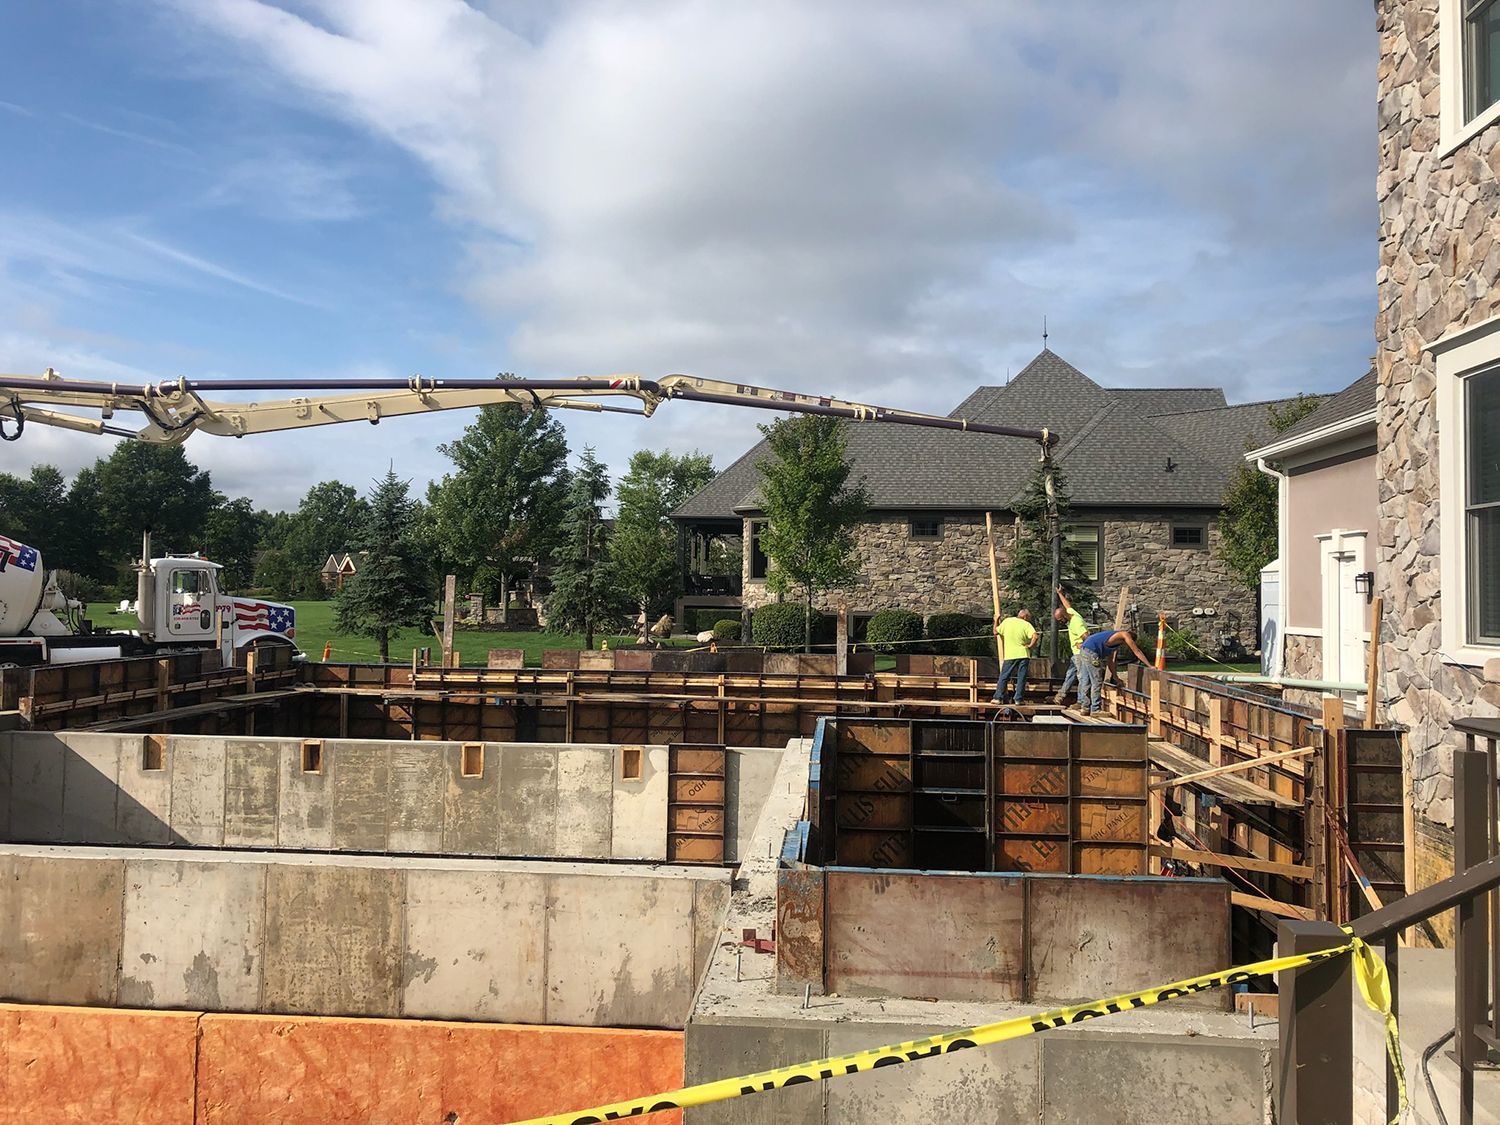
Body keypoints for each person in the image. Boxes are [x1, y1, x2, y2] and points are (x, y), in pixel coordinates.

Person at [1076, 628, 1153, 714]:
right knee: (1096, 681)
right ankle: (1095, 709)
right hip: (1091, 652)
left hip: (1085, 650)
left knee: (1086, 681)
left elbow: (1111, 662)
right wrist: (1150, 666)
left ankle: (1085, 708)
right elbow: (1137, 651)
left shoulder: (1114, 642)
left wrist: (1116, 677)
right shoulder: (1125, 634)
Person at [1051, 586, 1090, 706]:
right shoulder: (1072, 614)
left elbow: (1086, 636)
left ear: (1063, 617)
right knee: (1070, 674)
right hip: (1075, 654)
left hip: (1080, 654)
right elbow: (1067, 605)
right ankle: (1060, 696)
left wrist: (1082, 645)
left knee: (1081, 677)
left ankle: (1082, 702)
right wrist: (1060, 594)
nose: (1060, 622)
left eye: (1060, 620)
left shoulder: (1076, 623)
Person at [992, 608, 1038, 704]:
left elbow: (995, 632)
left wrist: (996, 620)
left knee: (1004, 676)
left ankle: (998, 698)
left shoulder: (1007, 621)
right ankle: (1018, 699)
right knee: (1021, 677)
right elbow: (1035, 636)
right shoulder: (1027, 625)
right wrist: (1030, 646)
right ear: (1025, 616)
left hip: (1010, 655)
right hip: (1023, 654)